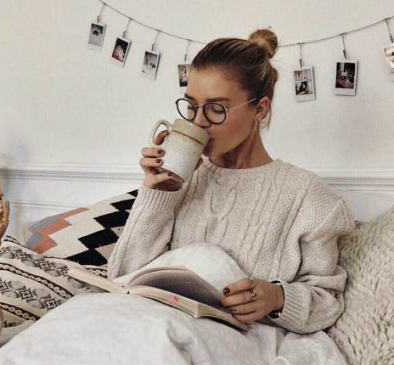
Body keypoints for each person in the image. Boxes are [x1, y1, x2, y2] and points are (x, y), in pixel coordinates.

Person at [108, 29, 355, 334]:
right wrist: (158, 195)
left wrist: (278, 298)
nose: (198, 121)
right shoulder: (182, 182)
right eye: (191, 106)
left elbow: (328, 302)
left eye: (216, 109)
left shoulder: (309, 197)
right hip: (154, 329)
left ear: (260, 108)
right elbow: (121, 279)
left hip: (234, 343)